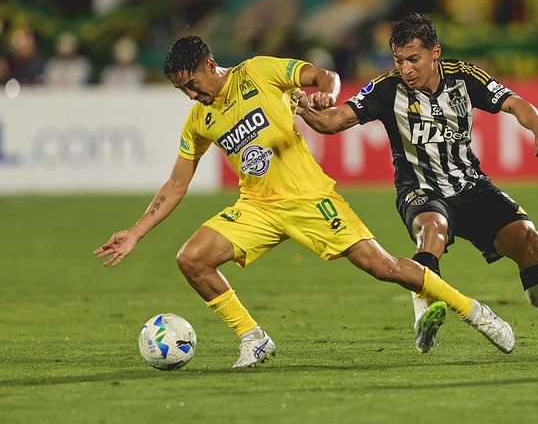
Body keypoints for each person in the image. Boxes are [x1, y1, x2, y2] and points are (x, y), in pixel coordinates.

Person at [94, 35, 515, 369]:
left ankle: (473, 310)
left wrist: (325, 96)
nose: (189, 94)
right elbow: (176, 182)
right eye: (181, 89)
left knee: (383, 267)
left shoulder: (257, 72)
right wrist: (135, 233)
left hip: (309, 199)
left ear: (209, 65)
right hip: (257, 207)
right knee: (192, 259)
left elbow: (322, 75)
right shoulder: (199, 119)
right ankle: (253, 339)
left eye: (191, 84)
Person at [294, 13, 538, 360]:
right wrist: (306, 109)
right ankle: (425, 318)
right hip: (420, 190)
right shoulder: (386, 88)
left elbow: (514, 103)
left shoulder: (465, 77)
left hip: (471, 186)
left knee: (529, 239)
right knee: (432, 231)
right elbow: (333, 121)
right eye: (398, 60)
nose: (405, 69)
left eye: (413, 59)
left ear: (435, 52)